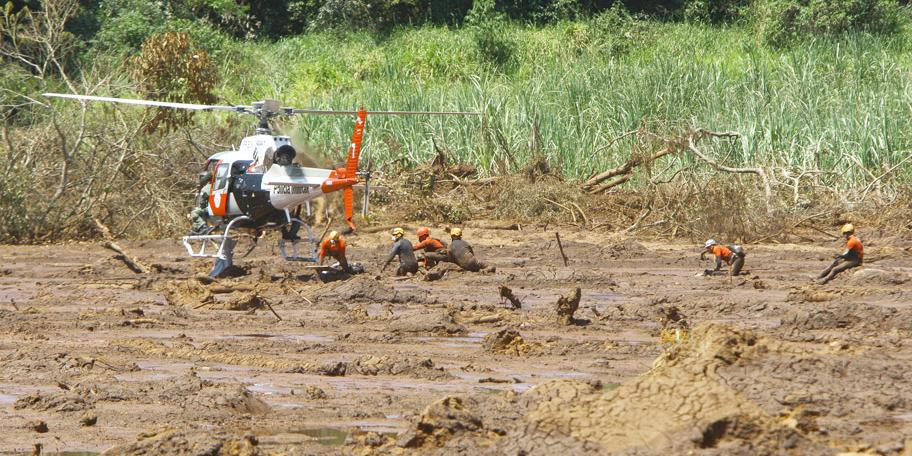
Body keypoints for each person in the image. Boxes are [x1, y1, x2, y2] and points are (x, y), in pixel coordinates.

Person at [188, 170, 212, 235]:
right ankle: (197, 228)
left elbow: (202, 203)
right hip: (211, 208)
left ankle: (202, 227)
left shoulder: (206, 188)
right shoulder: (212, 186)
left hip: (210, 209)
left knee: (195, 213)